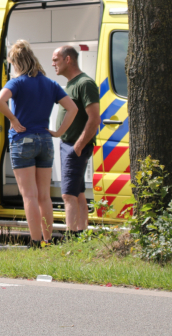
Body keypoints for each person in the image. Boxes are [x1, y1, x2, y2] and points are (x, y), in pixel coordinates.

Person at [0, 40, 77, 248]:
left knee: (29, 196)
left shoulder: (18, 82)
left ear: (17, 62)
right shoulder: (49, 83)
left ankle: (34, 242)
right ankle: (48, 241)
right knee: (44, 196)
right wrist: (59, 131)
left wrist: (13, 120)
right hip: (45, 140)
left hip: (23, 140)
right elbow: (73, 108)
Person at [52, 46, 100, 236]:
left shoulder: (85, 83)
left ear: (68, 59)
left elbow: (94, 118)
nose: (53, 63)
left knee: (68, 195)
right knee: (79, 193)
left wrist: (78, 146)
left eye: (56, 59)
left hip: (74, 146)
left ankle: (71, 239)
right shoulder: (72, 83)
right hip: (68, 145)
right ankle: (82, 236)